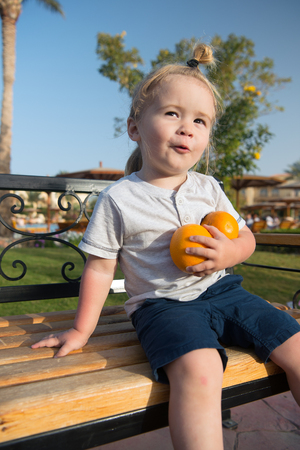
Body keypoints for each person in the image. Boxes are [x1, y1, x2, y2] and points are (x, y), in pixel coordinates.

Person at [31, 43, 300, 450]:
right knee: (203, 371)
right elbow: (101, 268)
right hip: (163, 306)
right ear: (135, 128)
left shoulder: (208, 188)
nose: (186, 127)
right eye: (172, 113)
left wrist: (229, 254)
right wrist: (81, 330)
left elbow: (246, 238)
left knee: (296, 345)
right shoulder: (120, 198)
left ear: (206, 138)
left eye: (200, 120)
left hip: (224, 292)